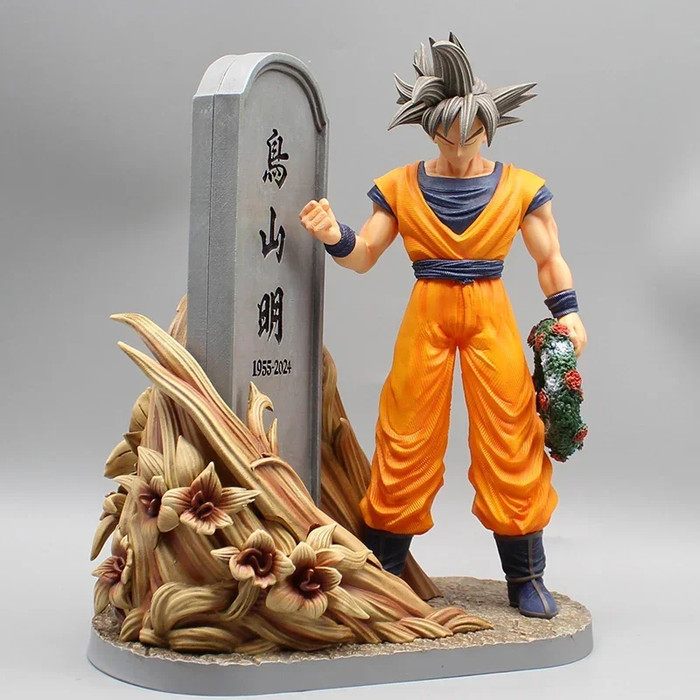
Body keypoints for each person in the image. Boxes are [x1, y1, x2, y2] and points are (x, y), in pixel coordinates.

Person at [299, 34, 587, 619]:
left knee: (510, 434)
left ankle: (526, 574)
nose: (457, 150)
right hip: (427, 309)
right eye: (445, 138)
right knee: (406, 433)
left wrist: (568, 310)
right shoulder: (400, 186)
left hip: (490, 311)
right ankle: (384, 572)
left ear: (488, 129)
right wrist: (334, 235)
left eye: (470, 137)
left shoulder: (521, 188)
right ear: (429, 130)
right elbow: (365, 254)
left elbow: (549, 257)